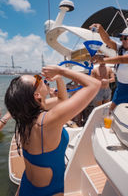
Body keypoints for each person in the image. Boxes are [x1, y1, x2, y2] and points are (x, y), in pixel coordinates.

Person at [5, 66, 101, 196]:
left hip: (25, 187)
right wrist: (61, 70)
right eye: (38, 80)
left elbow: (62, 100)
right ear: (37, 95)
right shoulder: (47, 121)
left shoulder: (26, 118)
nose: (41, 79)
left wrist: (59, 79)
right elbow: (94, 84)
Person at [89, 24, 128, 113]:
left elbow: (122, 59)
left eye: (125, 38)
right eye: (121, 38)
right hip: (121, 87)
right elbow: (108, 40)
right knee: (110, 112)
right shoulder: (122, 49)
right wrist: (101, 28)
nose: (122, 40)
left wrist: (102, 60)